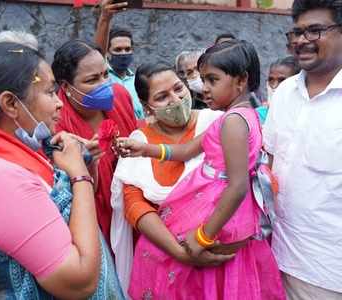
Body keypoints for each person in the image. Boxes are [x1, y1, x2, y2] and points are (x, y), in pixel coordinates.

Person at [0, 42, 123, 299]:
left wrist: (80, 165)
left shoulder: (20, 153)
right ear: (11, 104)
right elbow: (79, 282)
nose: (59, 103)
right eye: (50, 92)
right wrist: (78, 175)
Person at [116, 40, 285, 299]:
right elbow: (186, 151)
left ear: (240, 81)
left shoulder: (232, 122)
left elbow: (237, 187)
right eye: (202, 80)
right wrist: (144, 148)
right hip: (212, 201)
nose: (203, 89)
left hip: (216, 205)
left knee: (170, 258)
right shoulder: (233, 118)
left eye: (212, 80)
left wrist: (203, 237)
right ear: (147, 105)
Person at [110, 63, 225, 294]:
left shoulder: (216, 123)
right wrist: (181, 253)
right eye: (162, 97)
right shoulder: (140, 141)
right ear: (146, 107)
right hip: (165, 259)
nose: (175, 100)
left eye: (178, 89)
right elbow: (134, 205)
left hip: (220, 255)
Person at [263, 0, 342, 298]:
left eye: (314, 31)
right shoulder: (284, 92)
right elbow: (268, 167)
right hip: (277, 259)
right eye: (296, 33)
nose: (301, 41)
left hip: (328, 275)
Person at [51, 39, 137, 245]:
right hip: (94, 224)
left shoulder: (120, 96)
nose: (104, 85)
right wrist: (90, 166)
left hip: (135, 209)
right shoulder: (56, 125)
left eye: (106, 74)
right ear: (66, 86)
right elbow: (69, 196)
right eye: (92, 80)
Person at [94, 0, 145, 120]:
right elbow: (98, 54)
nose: (124, 53)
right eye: (118, 49)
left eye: (127, 49)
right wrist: (105, 19)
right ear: (108, 52)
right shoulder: (102, 78)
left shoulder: (137, 80)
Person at [256, 56, 300, 123]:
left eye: (281, 80)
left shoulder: (303, 115)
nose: (274, 86)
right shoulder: (257, 116)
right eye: (271, 80)